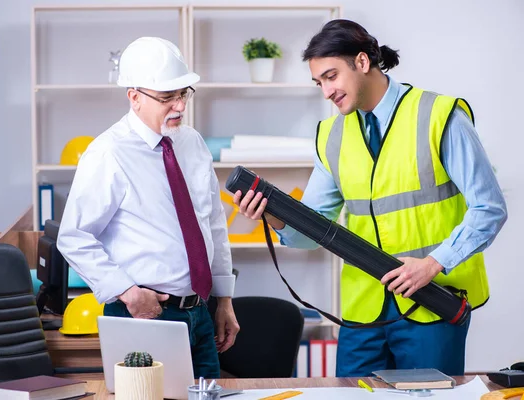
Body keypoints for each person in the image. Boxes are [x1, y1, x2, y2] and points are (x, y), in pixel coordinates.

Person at [234, 19, 507, 377]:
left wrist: (432, 264)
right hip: (363, 314)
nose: (326, 92)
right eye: (319, 82)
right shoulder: (331, 135)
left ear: (362, 62)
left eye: (331, 76)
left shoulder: (438, 115)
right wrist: (273, 216)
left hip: (431, 304)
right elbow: (310, 234)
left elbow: (490, 208)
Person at [57, 36, 239, 379]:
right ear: (134, 96)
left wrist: (224, 299)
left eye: (183, 94)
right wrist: (126, 292)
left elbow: (211, 224)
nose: (180, 106)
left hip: (200, 311)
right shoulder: (108, 153)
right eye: (167, 97)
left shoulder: (192, 143)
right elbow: (74, 236)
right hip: (143, 313)